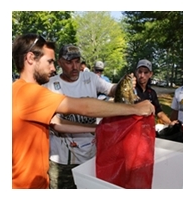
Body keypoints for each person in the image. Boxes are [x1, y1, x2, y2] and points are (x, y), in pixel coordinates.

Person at [12, 33, 155, 189]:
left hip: (42, 179)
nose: (53, 68)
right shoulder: (30, 93)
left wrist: (98, 127)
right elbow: (84, 107)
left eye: (77, 61)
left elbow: (57, 123)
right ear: (31, 58)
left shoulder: (21, 91)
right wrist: (135, 108)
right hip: (28, 183)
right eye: (50, 62)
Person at [43, 44, 126, 189]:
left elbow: (111, 90)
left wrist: (124, 84)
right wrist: (96, 128)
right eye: (69, 62)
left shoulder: (90, 78)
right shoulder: (50, 85)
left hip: (89, 155)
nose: (75, 66)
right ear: (60, 63)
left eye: (77, 61)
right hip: (62, 159)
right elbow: (54, 123)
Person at [135, 59, 177, 125]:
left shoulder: (152, 93)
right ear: (136, 72)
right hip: (132, 129)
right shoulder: (130, 90)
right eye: (140, 72)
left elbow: (159, 112)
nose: (142, 75)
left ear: (150, 74)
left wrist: (170, 123)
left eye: (146, 72)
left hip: (147, 129)